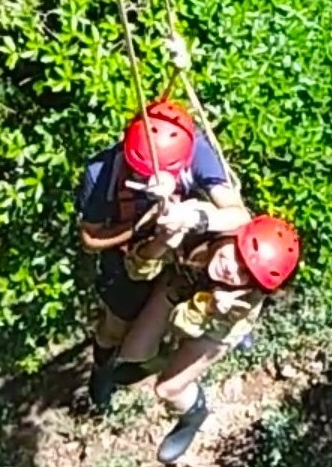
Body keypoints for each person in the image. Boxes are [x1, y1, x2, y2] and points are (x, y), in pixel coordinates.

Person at [75, 98, 249, 407]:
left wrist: (197, 218)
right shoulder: (102, 172)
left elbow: (238, 216)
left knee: (222, 284)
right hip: (129, 252)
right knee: (114, 328)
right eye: (138, 173)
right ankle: (103, 367)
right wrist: (141, 224)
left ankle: (225, 332)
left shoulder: (193, 146)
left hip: (188, 249)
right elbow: (90, 238)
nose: (147, 178)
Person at [115, 213, 301, 463]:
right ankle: (155, 360)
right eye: (238, 255)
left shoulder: (238, 305)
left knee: (168, 388)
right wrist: (162, 241)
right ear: (232, 236)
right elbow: (137, 268)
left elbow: (182, 327)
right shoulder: (203, 230)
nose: (231, 269)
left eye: (245, 274)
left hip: (215, 320)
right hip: (183, 282)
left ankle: (194, 412)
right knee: (133, 353)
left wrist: (209, 307)